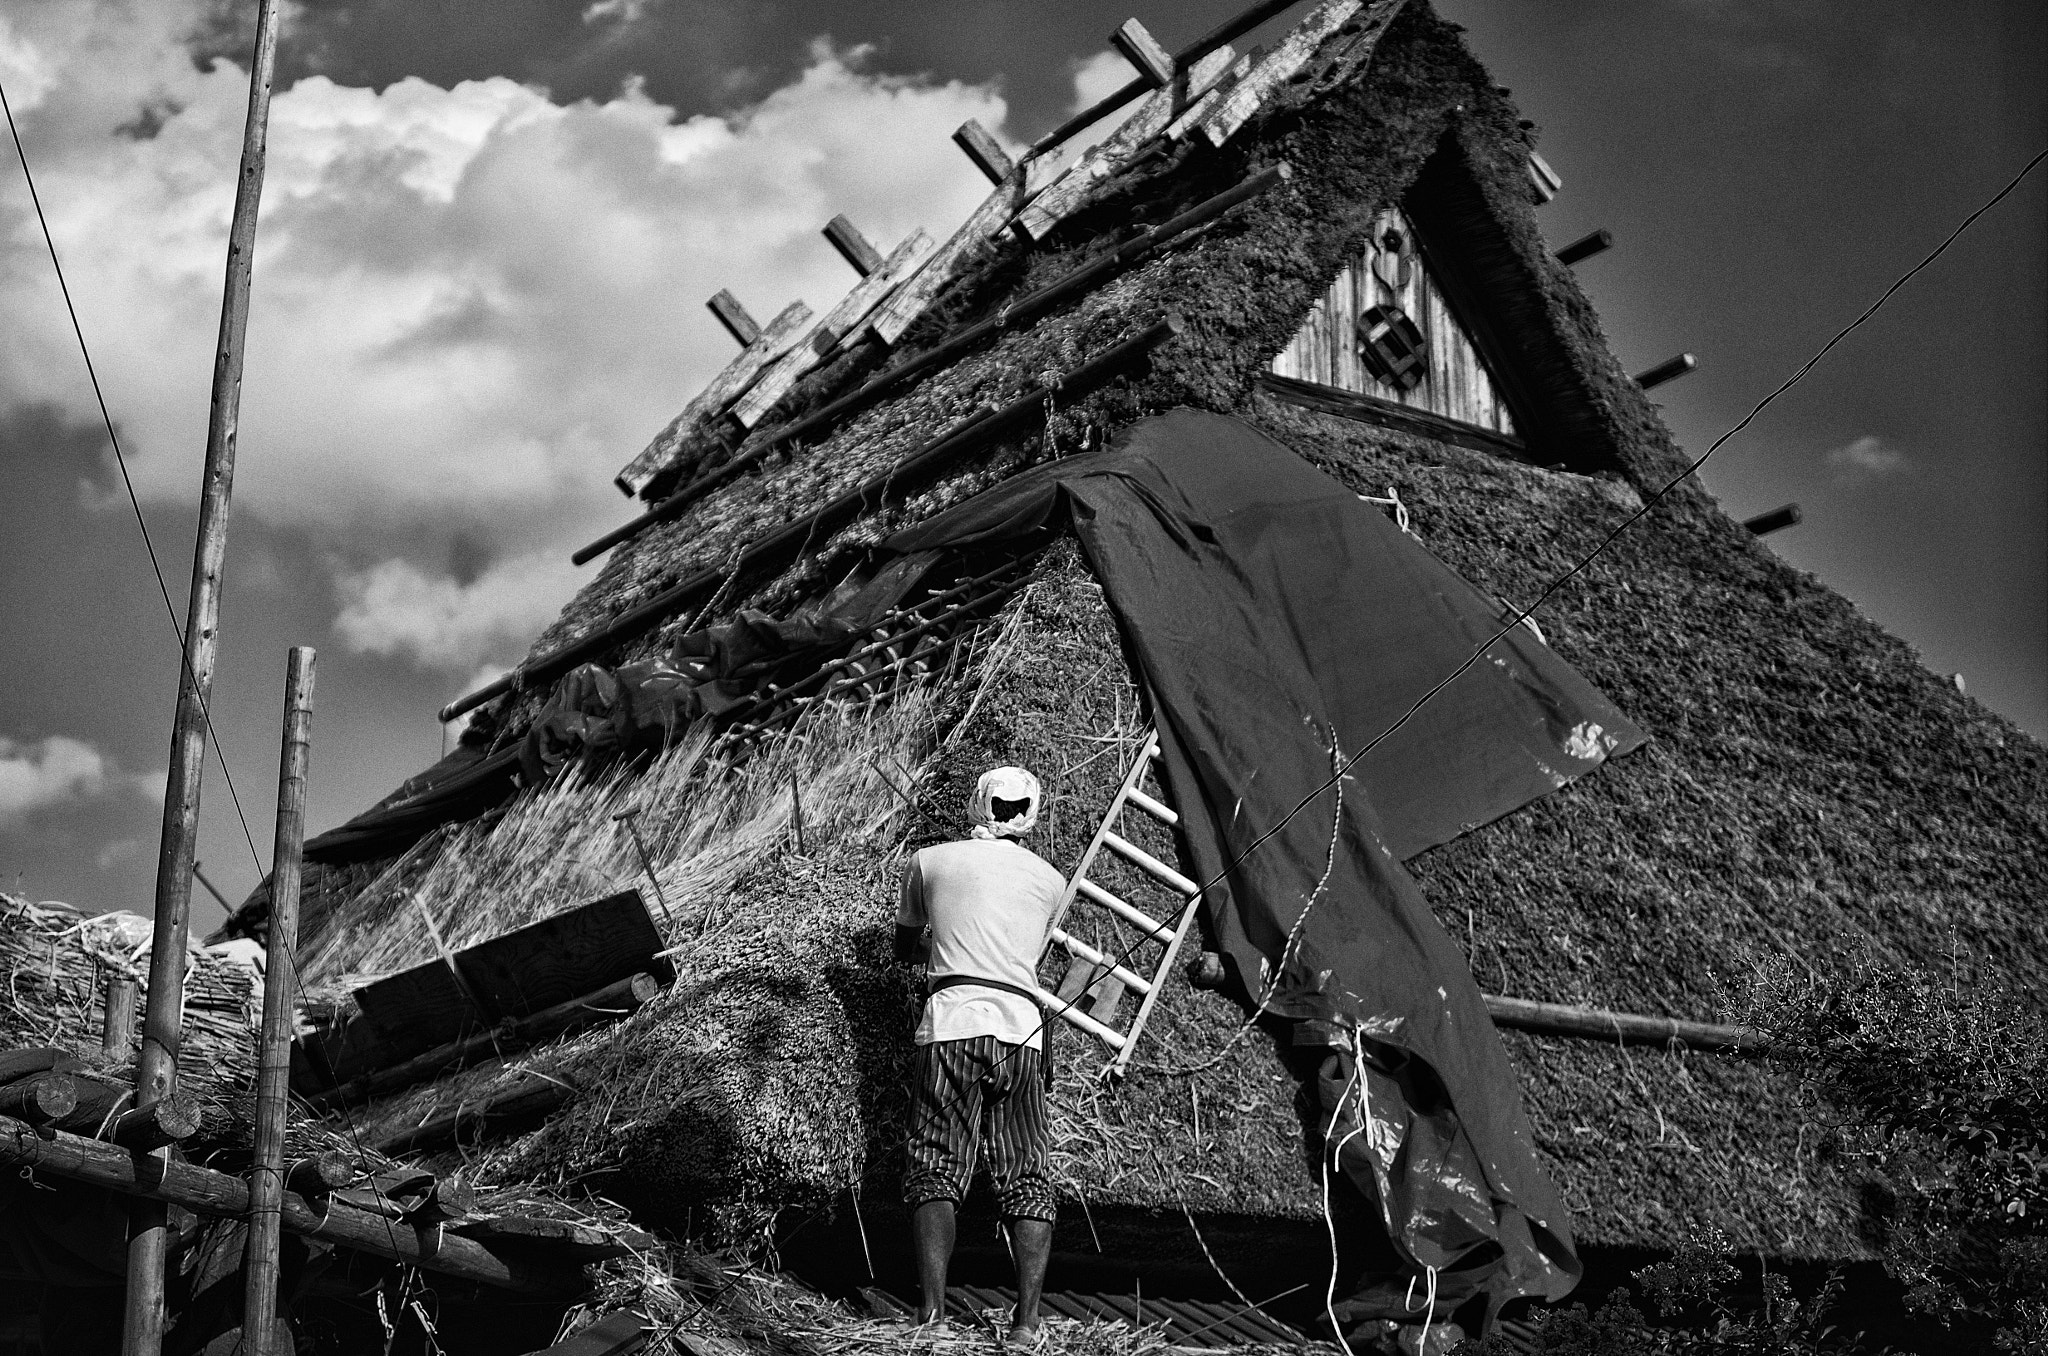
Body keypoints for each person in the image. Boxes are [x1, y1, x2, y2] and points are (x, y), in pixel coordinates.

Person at [895, 765, 1067, 1345]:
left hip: (952, 1024)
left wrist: (936, 937)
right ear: (1031, 812)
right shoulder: (1051, 880)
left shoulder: (929, 860)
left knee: (936, 1164)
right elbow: (1027, 950)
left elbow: (904, 947)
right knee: (1025, 1169)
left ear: (978, 802)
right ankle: (1025, 1324)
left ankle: (933, 1315)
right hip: (1023, 1032)